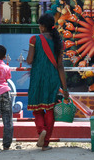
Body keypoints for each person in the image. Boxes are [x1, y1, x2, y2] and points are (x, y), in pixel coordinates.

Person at [26, 13, 69, 150]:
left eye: (40, 25)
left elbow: (30, 60)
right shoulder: (59, 42)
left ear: (43, 27)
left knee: (37, 109)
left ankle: (41, 130)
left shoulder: (34, 39)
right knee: (50, 110)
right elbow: (60, 66)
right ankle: (45, 143)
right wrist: (65, 88)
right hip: (53, 78)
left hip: (37, 77)